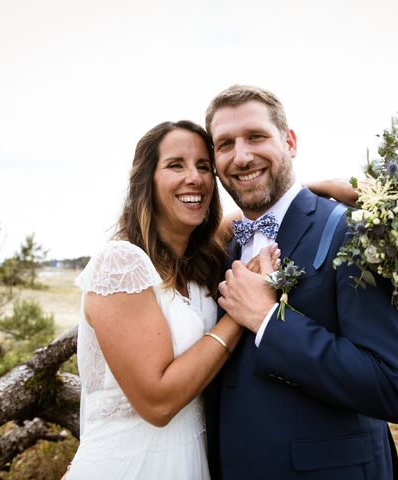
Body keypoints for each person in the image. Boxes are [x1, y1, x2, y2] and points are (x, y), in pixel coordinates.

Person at [64, 119, 356, 479]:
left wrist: (310, 189)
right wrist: (242, 309)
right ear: (146, 180)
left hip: (192, 462)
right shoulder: (121, 263)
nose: (195, 178)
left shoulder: (199, 257)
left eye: (204, 166)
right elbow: (158, 403)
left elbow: (255, 213)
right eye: (176, 165)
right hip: (131, 465)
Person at [205, 85, 398, 479]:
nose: (242, 155)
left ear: (290, 142)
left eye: (256, 136)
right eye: (225, 144)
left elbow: (392, 387)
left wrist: (269, 320)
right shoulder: (221, 247)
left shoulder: (353, 229)